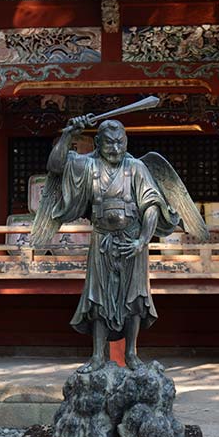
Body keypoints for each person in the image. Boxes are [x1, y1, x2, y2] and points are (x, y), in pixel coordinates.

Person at [44, 116, 181, 372]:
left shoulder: (136, 167)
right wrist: (68, 135)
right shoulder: (88, 165)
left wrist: (143, 240)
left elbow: (151, 205)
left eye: (120, 142)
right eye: (109, 144)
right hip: (101, 239)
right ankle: (97, 356)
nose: (116, 149)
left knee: (135, 298)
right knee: (98, 297)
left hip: (132, 240)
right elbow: (55, 165)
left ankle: (131, 353)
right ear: (97, 142)